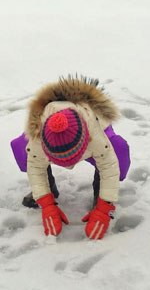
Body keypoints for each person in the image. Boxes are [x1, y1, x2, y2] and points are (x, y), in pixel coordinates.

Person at [22, 75, 130, 240]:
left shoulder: (95, 133)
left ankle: (99, 191)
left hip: (93, 130)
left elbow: (108, 166)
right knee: (21, 148)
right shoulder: (38, 134)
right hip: (55, 138)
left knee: (118, 152)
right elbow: (35, 166)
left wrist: (104, 206)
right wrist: (46, 202)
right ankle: (50, 188)